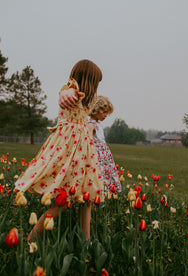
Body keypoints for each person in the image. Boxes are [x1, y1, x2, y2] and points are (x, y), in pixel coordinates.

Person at [14, 59, 104, 241]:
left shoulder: (87, 100)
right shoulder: (71, 89)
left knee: (86, 201)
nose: (97, 87)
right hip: (68, 152)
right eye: (96, 82)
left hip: (83, 154)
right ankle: (30, 238)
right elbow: (66, 91)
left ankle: (85, 243)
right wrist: (67, 93)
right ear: (89, 79)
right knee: (63, 201)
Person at [88, 96, 121, 193]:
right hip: (97, 157)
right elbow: (88, 141)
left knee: (107, 176)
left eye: (107, 113)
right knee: (99, 177)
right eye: (104, 112)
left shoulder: (99, 124)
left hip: (104, 157)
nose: (106, 115)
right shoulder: (91, 125)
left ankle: (106, 195)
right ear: (95, 110)